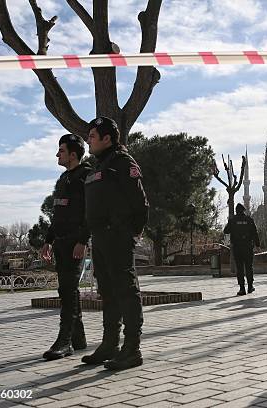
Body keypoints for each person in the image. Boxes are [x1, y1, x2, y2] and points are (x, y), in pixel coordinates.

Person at [82, 116, 149, 370]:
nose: (88, 140)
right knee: (108, 293)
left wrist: (132, 233)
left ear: (107, 138)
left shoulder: (122, 162)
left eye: (92, 136)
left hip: (118, 237)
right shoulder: (99, 165)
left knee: (126, 291)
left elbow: (140, 202)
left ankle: (132, 348)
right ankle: (109, 344)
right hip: (99, 238)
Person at [41, 134, 91, 361]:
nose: (57, 154)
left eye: (61, 150)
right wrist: (48, 240)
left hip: (74, 243)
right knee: (67, 290)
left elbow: (89, 213)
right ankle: (78, 339)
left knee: (68, 290)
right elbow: (57, 214)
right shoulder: (63, 179)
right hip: (60, 242)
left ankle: (65, 341)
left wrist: (82, 240)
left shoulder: (85, 177)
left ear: (73, 154)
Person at [223, 203, 260, 296]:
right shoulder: (249, 219)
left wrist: (231, 222)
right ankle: (250, 286)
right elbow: (255, 233)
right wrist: (258, 245)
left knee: (239, 268)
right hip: (248, 247)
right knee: (249, 267)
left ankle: (242, 288)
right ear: (244, 210)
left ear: (236, 211)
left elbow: (226, 231)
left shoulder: (233, 220)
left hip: (237, 247)